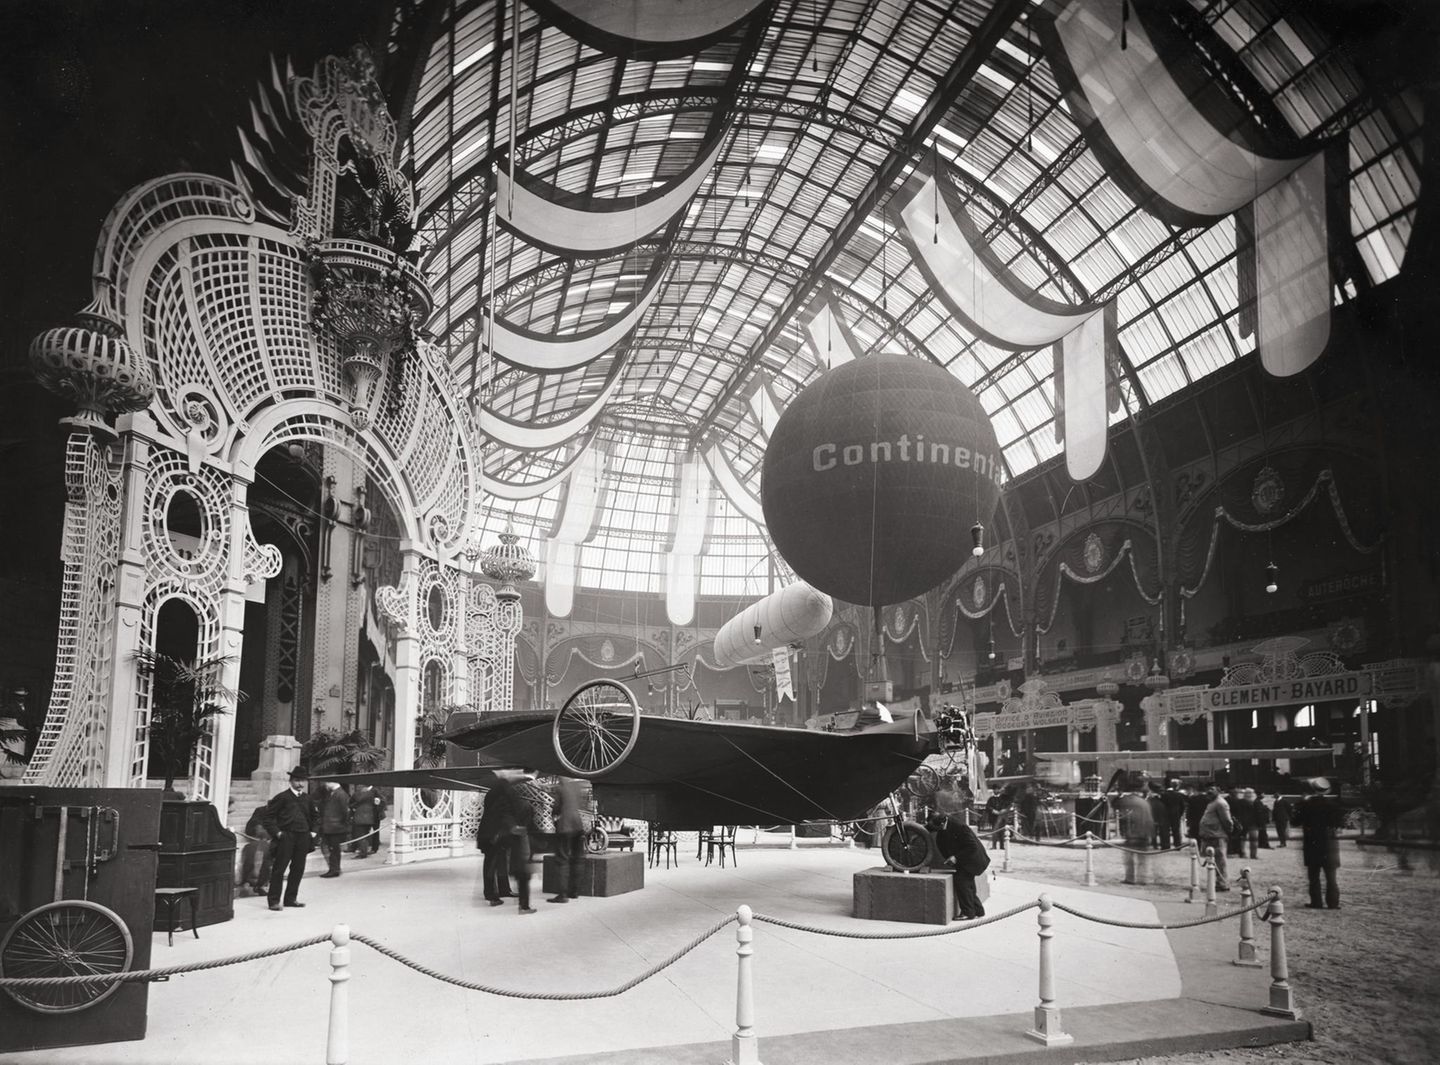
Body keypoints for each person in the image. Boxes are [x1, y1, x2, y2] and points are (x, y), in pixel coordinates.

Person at [262, 766, 317, 910]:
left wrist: (313, 832)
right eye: (297, 780)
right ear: (291, 781)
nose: (300, 784)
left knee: (298, 869)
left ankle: (291, 899)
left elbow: (316, 817)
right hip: (286, 836)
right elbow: (268, 817)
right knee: (279, 869)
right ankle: (274, 901)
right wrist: (277, 833)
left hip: (303, 837)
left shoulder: (307, 798)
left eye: (303, 781)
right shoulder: (282, 797)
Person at [926, 812, 989, 920]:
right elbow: (930, 827)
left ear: (941, 824)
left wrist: (956, 857)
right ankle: (978, 910)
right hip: (965, 861)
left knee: (962, 881)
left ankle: (968, 913)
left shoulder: (959, 827)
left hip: (971, 859)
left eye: (936, 827)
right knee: (968, 886)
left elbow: (972, 846)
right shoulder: (942, 822)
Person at [1293, 777, 1342, 909]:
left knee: (1313, 876)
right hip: (1329, 843)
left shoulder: (1306, 805)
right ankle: (1333, 903)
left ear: (1312, 789)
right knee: (1331, 877)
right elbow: (1338, 824)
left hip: (1312, 842)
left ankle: (1316, 901)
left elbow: (1295, 821)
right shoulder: (1333, 806)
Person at [477, 773, 518, 905]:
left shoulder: (494, 792)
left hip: (493, 833)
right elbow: (501, 815)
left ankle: (501, 890)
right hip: (494, 834)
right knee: (493, 863)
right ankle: (491, 894)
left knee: (498, 862)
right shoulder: (503, 793)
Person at [548, 777, 587, 904]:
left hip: (565, 827)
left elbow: (557, 808)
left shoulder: (560, 788)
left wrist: (553, 816)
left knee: (562, 859)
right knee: (577, 859)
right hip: (578, 825)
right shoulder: (578, 787)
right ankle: (574, 892)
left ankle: (562, 895)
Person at [1198, 787, 1234, 891]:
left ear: (1218, 791)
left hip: (1217, 836)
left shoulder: (1220, 803)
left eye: (1212, 789)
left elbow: (1227, 820)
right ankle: (1219, 883)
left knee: (1220, 862)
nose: (1209, 792)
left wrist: (1227, 831)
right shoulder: (1213, 802)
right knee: (1215, 861)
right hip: (1212, 835)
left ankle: (1222, 884)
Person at [1116, 791, 1153, 885]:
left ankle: (1130, 878)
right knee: (1142, 859)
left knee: (1129, 858)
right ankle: (1142, 879)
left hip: (1133, 834)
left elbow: (1127, 818)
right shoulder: (1145, 803)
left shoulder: (1130, 803)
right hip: (1143, 834)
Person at [316, 781, 350, 877]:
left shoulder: (340, 794)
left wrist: (341, 823)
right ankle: (334, 868)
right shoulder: (335, 793)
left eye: (327, 783)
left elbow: (345, 811)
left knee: (333, 849)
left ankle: (334, 869)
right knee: (331, 848)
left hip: (335, 827)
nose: (325, 785)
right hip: (331, 826)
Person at [349, 783, 386, 858]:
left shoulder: (375, 791)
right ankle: (356, 847)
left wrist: (378, 804)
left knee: (375, 832)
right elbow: (352, 802)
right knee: (362, 832)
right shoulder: (359, 792)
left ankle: (374, 848)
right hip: (366, 815)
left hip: (375, 815)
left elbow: (383, 801)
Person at [1161, 780, 1186, 851]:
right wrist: (1180, 814)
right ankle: (1177, 845)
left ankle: (1166, 846)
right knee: (1176, 831)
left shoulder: (1164, 795)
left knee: (1165, 830)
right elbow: (1182, 806)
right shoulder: (1179, 795)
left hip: (1166, 815)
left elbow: (1162, 805)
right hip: (1176, 815)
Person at [1145, 783, 1169, 849]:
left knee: (1154, 832)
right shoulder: (1160, 797)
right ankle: (1162, 844)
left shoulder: (1150, 798)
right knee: (1162, 832)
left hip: (1154, 815)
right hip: (1160, 816)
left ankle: (1155, 845)